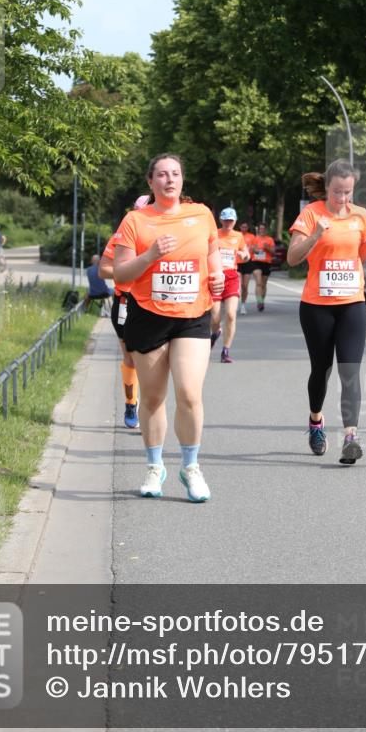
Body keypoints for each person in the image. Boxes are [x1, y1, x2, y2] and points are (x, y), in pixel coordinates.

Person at [113, 154, 224, 502]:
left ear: (182, 179)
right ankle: (154, 466)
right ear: (151, 182)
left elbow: (212, 253)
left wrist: (217, 276)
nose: (169, 180)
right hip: (148, 315)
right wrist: (150, 256)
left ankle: (191, 467)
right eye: (161, 175)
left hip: (193, 314)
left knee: (189, 393)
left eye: (175, 173)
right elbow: (120, 274)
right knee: (154, 397)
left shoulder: (202, 214)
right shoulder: (135, 221)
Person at [287, 160, 366, 464]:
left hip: (352, 303)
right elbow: (292, 258)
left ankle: (351, 437)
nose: (343, 198)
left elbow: (361, 255)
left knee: (350, 370)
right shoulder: (311, 214)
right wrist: (315, 235)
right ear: (327, 188)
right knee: (321, 370)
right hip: (317, 306)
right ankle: (316, 420)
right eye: (338, 192)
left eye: (348, 192)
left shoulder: (360, 215)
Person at [99, 195, 150, 430]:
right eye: (138, 211)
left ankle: (151, 410)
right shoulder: (121, 236)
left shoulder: (162, 237)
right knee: (131, 357)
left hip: (153, 303)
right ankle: (131, 403)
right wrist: (130, 270)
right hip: (125, 302)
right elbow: (103, 270)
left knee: (153, 360)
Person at [210, 207, 249, 362]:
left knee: (231, 315)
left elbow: (246, 254)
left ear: (235, 221)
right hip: (216, 277)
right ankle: (215, 333)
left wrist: (244, 255)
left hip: (232, 277)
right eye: (225, 220)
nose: (228, 223)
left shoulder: (238, 236)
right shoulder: (214, 235)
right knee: (215, 318)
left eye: (231, 221)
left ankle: (225, 351)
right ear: (221, 220)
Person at [250, 222, 275, 311]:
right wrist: (254, 249)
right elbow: (250, 249)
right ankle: (259, 301)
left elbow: (273, 252)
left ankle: (262, 301)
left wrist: (267, 247)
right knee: (259, 283)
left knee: (263, 284)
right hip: (256, 262)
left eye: (263, 229)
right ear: (258, 230)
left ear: (266, 230)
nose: (262, 230)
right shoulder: (255, 239)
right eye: (260, 229)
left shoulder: (270, 239)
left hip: (266, 263)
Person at [237, 221, 256, 315]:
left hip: (248, 262)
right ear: (240, 227)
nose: (244, 228)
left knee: (245, 286)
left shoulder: (251, 236)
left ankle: (243, 305)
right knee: (238, 285)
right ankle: (234, 303)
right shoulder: (236, 235)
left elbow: (255, 248)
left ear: (247, 228)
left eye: (245, 227)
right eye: (242, 227)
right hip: (238, 262)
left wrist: (253, 249)